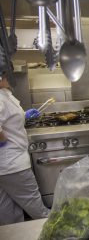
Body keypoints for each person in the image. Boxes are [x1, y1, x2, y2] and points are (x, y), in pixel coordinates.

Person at [0, 73, 50, 225]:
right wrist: (2, 141)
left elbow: (7, 118)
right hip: (12, 165)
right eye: (6, 72)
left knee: (8, 212)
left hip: (6, 166)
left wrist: (24, 115)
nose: (10, 76)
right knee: (39, 211)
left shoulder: (4, 93)